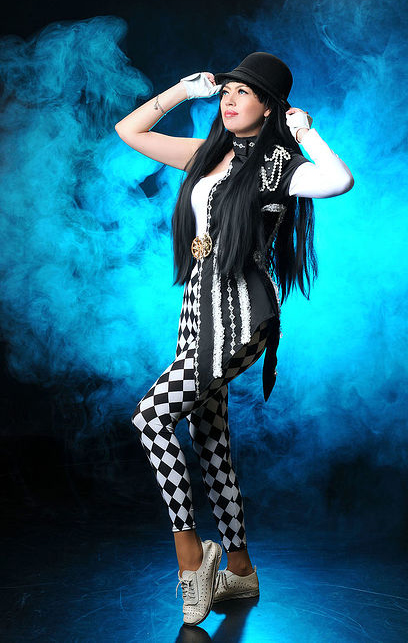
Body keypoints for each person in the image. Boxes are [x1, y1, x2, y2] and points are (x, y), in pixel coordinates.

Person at [115, 52, 354, 626]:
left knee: (151, 418)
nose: (230, 98)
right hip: (197, 308)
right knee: (210, 438)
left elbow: (339, 180)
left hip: (243, 313)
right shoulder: (208, 153)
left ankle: (191, 558)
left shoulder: (279, 164)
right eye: (228, 90)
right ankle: (240, 570)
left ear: (269, 107)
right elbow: (131, 131)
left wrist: (306, 132)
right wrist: (182, 90)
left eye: (245, 92)